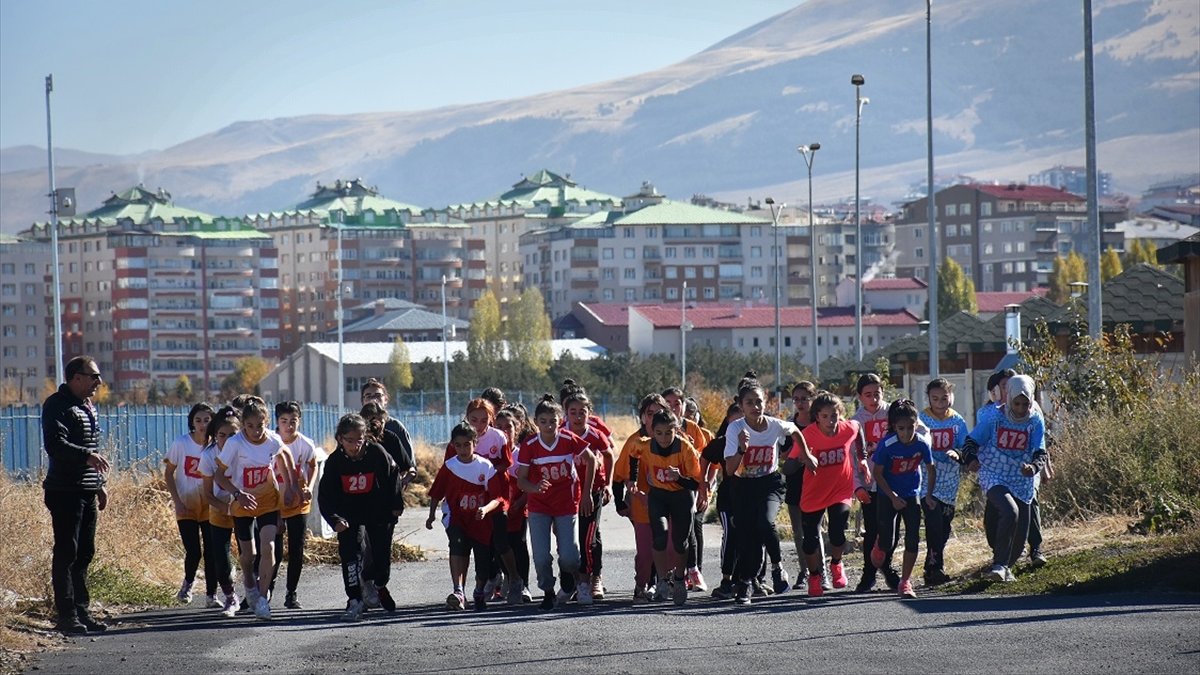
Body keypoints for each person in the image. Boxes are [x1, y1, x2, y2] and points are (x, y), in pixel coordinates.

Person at [41, 355, 110, 634]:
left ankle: (82, 611)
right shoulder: (56, 405)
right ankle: (66, 615)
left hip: (86, 489)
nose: (98, 381)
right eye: (93, 376)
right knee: (67, 552)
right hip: (64, 491)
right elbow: (55, 445)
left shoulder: (87, 406)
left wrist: (98, 484)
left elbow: (89, 450)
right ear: (75, 377)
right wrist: (87, 457)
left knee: (85, 553)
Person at [723, 375, 806, 605]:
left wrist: (806, 455)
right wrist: (742, 448)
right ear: (741, 405)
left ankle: (778, 567)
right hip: (743, 486)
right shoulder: (735, 429)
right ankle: (746, 584)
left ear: (765, 402)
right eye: (749, 402)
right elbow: (729, 470)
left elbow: (796, 431)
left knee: (766, 522)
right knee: (747, 536)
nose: (755, 407)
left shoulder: (774, 425)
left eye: (758, 401)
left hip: (769, 483)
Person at [214, 399, 298, 620]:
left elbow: (284, 457)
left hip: (268, 499)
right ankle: (250, 584)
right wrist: (237, 493)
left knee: (268, 547)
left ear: (266, 422)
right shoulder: (235, 443)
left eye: (260, 425)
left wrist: (290, 486)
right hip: (243, 501)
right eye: (249, 426)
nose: (255, 431)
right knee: (248, 554)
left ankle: (261, 599)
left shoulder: (273, 440)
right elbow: (219, 475)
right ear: (243, 425)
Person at [961, 375, 1048, 582]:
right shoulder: (994, 418)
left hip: (1021, 476)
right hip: (994, 471)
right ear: (1008, 399)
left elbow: (1040, 451)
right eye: (1016, 403)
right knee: (1010, 511)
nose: (1020, 409)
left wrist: (1034, 467)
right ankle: (998, 564)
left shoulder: (1035, 420)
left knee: (1020, 534)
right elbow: (970, 442)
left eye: (1025, 404)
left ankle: (1006, 567)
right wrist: (971, 459)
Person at [516, 395, 597, 610]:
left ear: (559, 420)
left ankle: (569, 579)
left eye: (553, 421)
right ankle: (548, 591)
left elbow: (591, 459)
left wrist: (587, 493)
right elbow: (521, 479)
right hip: (539, 506)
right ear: (536, 422)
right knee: (541, 556)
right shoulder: (529, 445)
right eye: (543, 421)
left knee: (570, 557)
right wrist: (534, 488)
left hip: (566, 503)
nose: (548, 425)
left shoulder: (568, 439)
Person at [319, 413, 403, 621]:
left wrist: (395, 505)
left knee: (381, 558)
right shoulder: (334, 462)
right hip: (348, 514)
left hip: (377, 510)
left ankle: (379, 584)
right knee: (350, 555)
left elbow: (394, 476)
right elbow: (325, 496)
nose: (355, 445)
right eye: (349, 440)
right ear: (339, 438)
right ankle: (354, 599)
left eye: (359, 440)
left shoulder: (377, 453)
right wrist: (335, 519)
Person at [784, 391, 868, 597]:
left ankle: (837, 564)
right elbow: (787, 468)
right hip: (814, 492)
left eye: (834, 416)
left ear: (840, 414)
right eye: (825, 416)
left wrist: (863, 458)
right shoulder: (808, 435)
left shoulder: (848, 428)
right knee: (810, 540)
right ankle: (814, 576)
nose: (831, 421)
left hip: (841, 489)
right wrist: (803, 458)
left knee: (838, 534)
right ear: (817, 417)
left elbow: (859, 430)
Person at [443, 398, 524, 604]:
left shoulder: (498, 437)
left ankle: (515, 578)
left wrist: (485, 470)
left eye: (483, 420)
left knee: (500, 540)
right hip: (465, 500)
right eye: (473, 420)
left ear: (491, 419)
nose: (478, 425)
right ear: (467, 418)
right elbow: (449, 469)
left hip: (494, 496)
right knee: (462, 543)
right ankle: (461, 590)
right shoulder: (461, 438)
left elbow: (506, 463)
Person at [427, 422, 511, 611]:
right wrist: (431, 515)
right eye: (458, 445)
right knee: (457, 548)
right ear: (452, 445)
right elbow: (436, 492)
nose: (463, 449)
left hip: (480, 522)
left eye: (467, 444)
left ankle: (479, 590)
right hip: (456, 518)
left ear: (475, 443)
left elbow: (498, 497)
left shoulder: (485, 466)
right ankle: (458, 591)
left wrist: (486, 509)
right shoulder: (449, 466)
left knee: (483, 561)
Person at [871, 399, 936, 599]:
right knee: (887, 543)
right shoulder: (887, 445)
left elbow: (931, 469)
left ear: (917, 424)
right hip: (887, 495)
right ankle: (879, 544)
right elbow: (878, 474)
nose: (906, 433)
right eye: (901, 428)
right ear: (894, 427)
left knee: (913, 538)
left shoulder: (922, 443)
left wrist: (929, 494)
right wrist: (892, 496)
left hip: (911, 493)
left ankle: (905, 582)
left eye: (910, 427)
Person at [642, 409, 702, 605]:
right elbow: (633, 460)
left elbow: (696, 483)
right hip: (658, 496)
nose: (664, 438)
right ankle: (662, 580)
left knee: (679, 542)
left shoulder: (685, 448)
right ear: (652, 431)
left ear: (676, 430)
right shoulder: (647, 447)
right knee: (659, 536)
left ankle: (678, 579)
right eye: (659, 433)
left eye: (669, 432)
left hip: (681, 496)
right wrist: (633, 484)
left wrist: (680, 478)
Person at [612, 394, 668, 603]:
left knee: (667, 546)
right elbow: (618, 475)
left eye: (658, 413)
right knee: (645, 552)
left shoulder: (673, 439)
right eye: (649, 414)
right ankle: (642, 584)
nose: (654, 418)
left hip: (668, 504)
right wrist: (620, 503)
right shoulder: (634, 442)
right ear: (643, 417)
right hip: (642, 505)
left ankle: (662, 581)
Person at [563, 389, 614, 601]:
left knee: (588, 537)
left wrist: (609, 485)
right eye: (572, 412)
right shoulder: (560, 433)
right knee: (569, 539)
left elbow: (610, 455)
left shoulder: (594, 434)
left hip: (593, 491)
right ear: (566, 414)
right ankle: (572, 580)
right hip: (567, 493)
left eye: (582, 412)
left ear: (588, 413)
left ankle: (591, 579)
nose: (577, 416)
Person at [164, 402, 216, 606]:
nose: (202, 424)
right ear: (191, 422)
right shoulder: (181, 444)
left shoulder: (216, 446)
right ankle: (188, 583)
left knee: (211, 550)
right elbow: (169, 473)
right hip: (186, 504)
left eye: (207, 420)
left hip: (210, 505)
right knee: (193, 550)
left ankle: (212, 595)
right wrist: (176, 501)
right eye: (198, 420)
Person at [850, 373, 899, 592]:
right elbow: (851, 457)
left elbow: (916, 431)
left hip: (894, 482)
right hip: (869, 484)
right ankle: (869, 574)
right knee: (872, 530)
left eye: (877, 393)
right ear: (860, 397)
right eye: (868, 395)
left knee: (892, 530)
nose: (873, 399)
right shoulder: (855, 422)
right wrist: (857, 486)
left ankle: (887, 567)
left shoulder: (893, 413)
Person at [919, 378, 969, 585]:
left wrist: (957, 453)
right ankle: (934, 568)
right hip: (927, 481)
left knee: (945, 526)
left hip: (950, 481)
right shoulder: (922, 419)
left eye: (944, 398)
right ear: (929, 398)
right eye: (935, 398)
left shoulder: (958, 421)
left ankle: (933, 563)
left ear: (952, 397)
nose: (940, 403)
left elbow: (966, 446)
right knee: (933, 524)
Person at [662, 387, 713, 592]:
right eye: (669, 403)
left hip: (688, 486)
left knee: (690, 527)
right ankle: (665, 575)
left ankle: (693, 569)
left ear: (684, 405)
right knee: (664, 532)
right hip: (663, 487)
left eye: (677, 403)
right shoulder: (659, 427)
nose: (673, 407)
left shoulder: (692, 428)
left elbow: (704, 460)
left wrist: (704, 489)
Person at [271, 401, 320, 609]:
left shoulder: (305, 444)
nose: (289, 426)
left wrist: (308, 486)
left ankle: (291, 592)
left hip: (298, 502)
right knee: (273, 549)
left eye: (293, 421)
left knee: (297, 548)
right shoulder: (269, 442)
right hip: (272, 502)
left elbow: (313, 465)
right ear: (277, 421)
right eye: (284, 421)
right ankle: (265, 589)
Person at [786, 381, 830, 590]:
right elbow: (783, 456)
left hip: (818, 483)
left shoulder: (820, 423)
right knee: (798, 533)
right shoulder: (789, 426)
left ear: (813, 399)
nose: (800, 403)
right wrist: (799, 456)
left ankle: (822, 573)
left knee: (815, 531)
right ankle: (804, 572)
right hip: (796, 483)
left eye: (804, 398)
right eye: (796, 399)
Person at [199, 407, 241, 617]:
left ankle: (255, 593)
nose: (227, 440)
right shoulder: (208, 455)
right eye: (222, 435)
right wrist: (226, 508)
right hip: (219, 506)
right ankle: (230, 597)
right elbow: (208, 494)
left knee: (250, 555)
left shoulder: (246, 449)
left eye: (233, 435)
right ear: (215, 436)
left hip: (245, 506)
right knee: (220, 558)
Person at [701, 404, 743, 600]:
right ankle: (727, 580)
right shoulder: (722, 442)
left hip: (752, 495)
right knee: (731, 535)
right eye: (734, 423)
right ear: (727, 423)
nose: (738, 427)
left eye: (742, 422)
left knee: (754, 535)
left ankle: (751, 578)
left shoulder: (759, 440)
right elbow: (705, 457)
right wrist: (704, 483)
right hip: (728, 498)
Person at [494, 408, 532, 602]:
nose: (503, 431)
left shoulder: (522, 454)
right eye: (498, 427)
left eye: (508, 427)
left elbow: (530, 481)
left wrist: (521, 501)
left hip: (519, 507)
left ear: (517, 428)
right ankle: (509, 577)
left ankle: (524, 584)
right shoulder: (492, 454)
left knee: (519, 543)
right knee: (501, 544)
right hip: (499, 509)